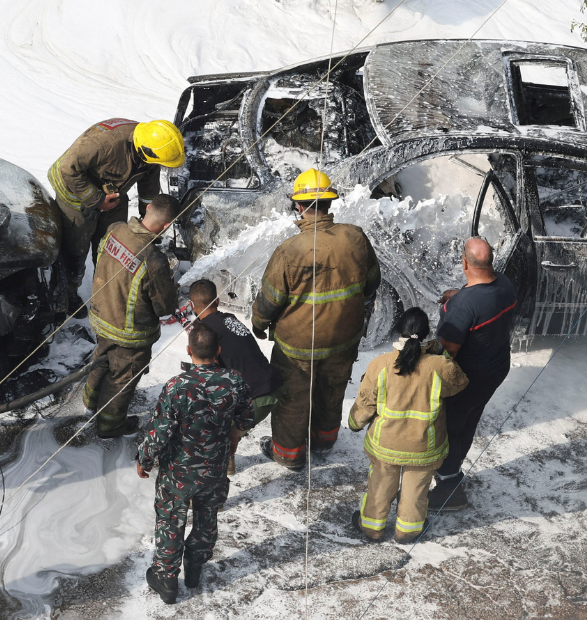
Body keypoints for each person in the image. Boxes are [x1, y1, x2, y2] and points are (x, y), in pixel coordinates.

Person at [251, 168, 381, 470]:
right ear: (330, 204)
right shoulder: (355, 237)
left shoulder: (289, 250)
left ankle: (288, 454)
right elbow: (372, 283)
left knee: (293, 400)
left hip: (297, 348)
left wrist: (258, 324)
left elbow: (270, 300)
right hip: (343, 340)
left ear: (299, 206)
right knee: (332, 391)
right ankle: (323, 441)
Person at [135, 321, 255, 605]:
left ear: (189, 351)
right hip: (214, 469)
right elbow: (246, 418)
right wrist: (231, 437)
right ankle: (195, 567)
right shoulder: (234, 381)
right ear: (219, 350)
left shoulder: (177, 386)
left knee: (170, 520)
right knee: (206, 517)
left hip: (178, 473)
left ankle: (166, 579)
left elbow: (159, 432)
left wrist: (144, 459)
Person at [347, 307, 469, 543]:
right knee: (416, 491)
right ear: (426, 334)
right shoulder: (438, 366)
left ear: (398, 329)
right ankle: (407, 531)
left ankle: (372, 526)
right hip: (424, 446)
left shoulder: (380, 364)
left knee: (380, 485)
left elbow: (366, 403)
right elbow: (460, 383)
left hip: (385, 444)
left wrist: (354, 423)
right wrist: (440, 354)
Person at [48, 118, 185, 313]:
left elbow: (149, 190)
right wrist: (96, 200)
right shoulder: (105, 144)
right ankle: (67, 292)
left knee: (112, 242)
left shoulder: (151, 147)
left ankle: (106, 287)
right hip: (74, 192)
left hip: (112, 193)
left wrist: (149, 228)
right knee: (75, 249)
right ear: (145, 150)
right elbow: (67, 169)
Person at [429, 237, 517, 510]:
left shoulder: (464, 307)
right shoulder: (504, 284)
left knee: (450, 428)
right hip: (495, 369)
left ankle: (449, 488)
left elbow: (447, 354)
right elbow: (481, 297)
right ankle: (451, 475)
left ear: (465, 263)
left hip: (466, 380)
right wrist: (458, 295)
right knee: (468, 421)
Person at [83, 194, 180, 437]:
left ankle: (89, 403)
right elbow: (164, 307)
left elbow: (101, 260)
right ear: (167, 225)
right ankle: (109, 426)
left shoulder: (115, 229)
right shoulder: (154, 259)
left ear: (148, 208)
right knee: (121, 380)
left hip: (99, 315)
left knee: (101, 360)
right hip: (130, 335)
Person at [185, 278, 279, 473]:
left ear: (192, 306)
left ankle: (215, 482)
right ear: (218, 301)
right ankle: (227, 461)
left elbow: (210, 379)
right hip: (273, 385)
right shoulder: (230, 319)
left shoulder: (205, 333)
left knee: (213, 431)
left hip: (255, 397)